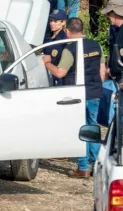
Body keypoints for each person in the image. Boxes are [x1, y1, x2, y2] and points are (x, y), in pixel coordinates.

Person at [42, 19, 103, 177]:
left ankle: (83, 167)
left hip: (78, 95)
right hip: (94, 92)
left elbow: (60, 72)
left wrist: (47, 63)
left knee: (80, 130)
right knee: (92, 128)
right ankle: (96, 165)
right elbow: (102, 71)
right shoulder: (95, 45)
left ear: (67, 32)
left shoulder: (69, 49)